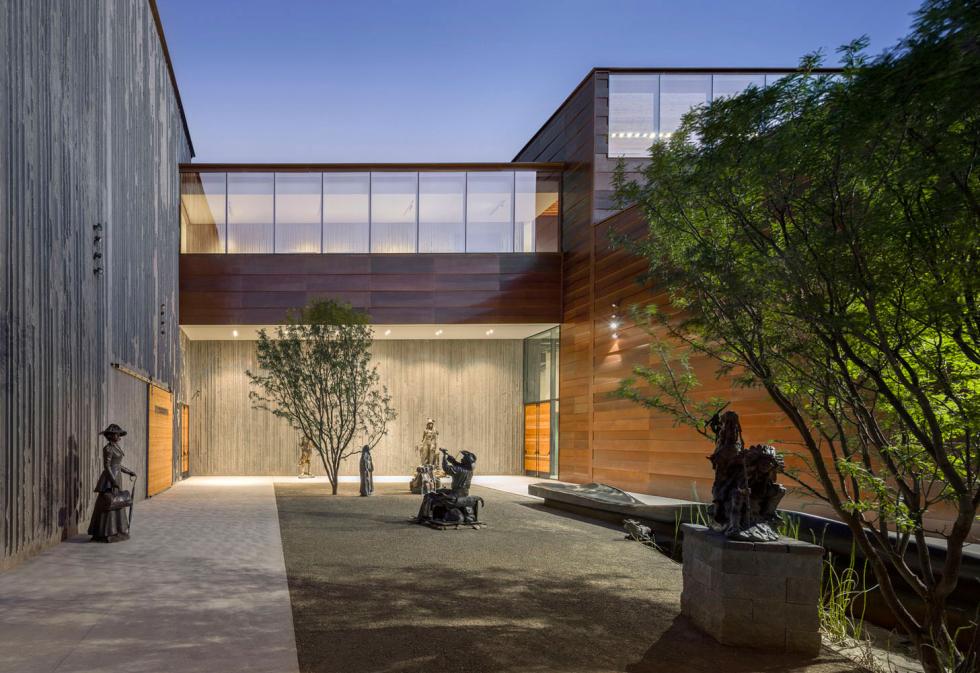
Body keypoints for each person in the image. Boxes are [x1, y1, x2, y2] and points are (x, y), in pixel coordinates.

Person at [88, 423, 136, 542]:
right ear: (111, 436)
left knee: (117, 503)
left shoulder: (116, 447)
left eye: (119, 434)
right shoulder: (108, 449)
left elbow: (118, 465)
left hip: (116, 477)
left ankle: (116, 530)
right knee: (109, 504)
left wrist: (129, 472)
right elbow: (107, 466)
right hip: (109, 480)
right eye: (116, 434)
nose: (119, 435)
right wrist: (113, 481)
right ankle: (105, 532)